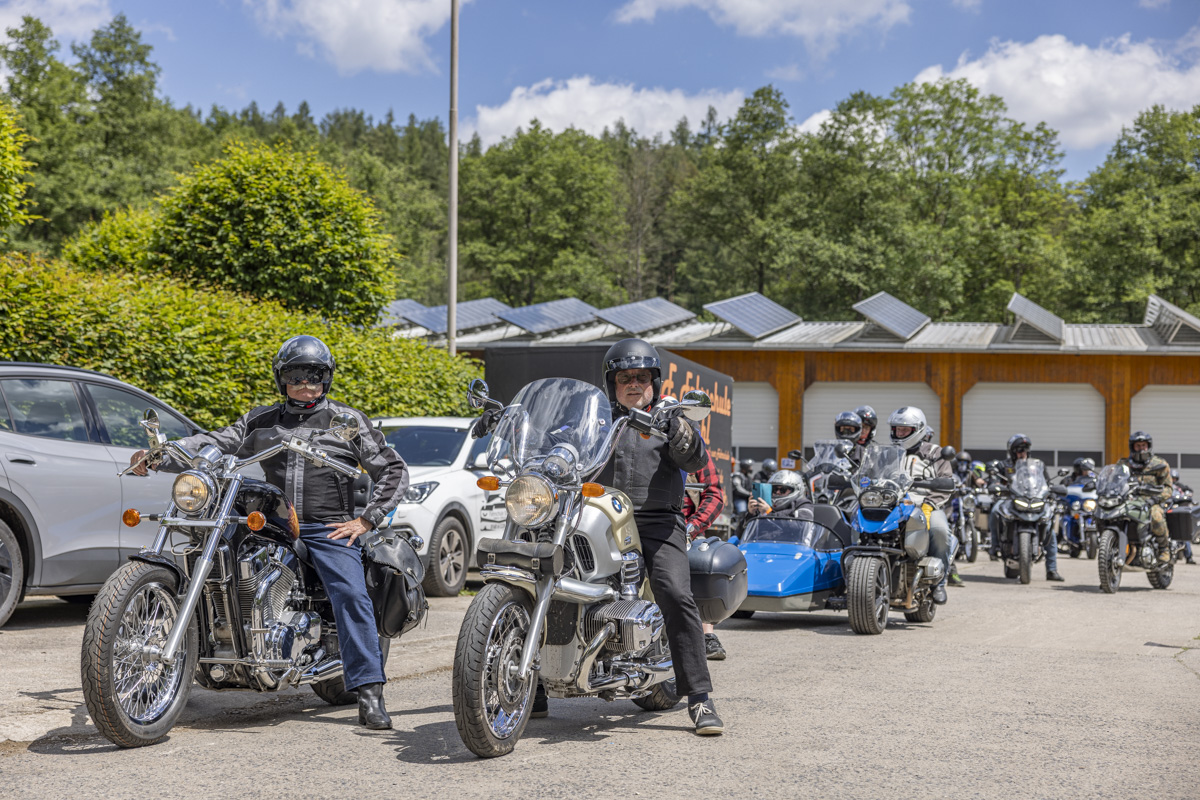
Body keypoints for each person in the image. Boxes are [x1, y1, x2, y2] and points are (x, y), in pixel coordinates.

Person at [128, 335, 409, 730]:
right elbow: (213, 442)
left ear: (326, 379)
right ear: (282, 379)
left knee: (349, 592)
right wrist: (159, 456)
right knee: (220, 563)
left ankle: (369, 693)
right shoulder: (262, 421)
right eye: (295, 375)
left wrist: (366, 520)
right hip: (274, 522)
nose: (305, 384)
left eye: (314, 375)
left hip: (326, 526)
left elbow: (392, 469)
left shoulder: (347, 421)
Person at [592, 338, 723, 735]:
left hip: (656, 523)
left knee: (674, 592)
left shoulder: (669, 419)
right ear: (612, 382)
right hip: (598, 518)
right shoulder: (594, 422)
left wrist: (682, 434)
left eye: (642, 376)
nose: (634, 383)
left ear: (654, 381)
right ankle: (540, 683)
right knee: (555, 577)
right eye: (624, 377)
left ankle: (699, 698)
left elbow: (697, 459)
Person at [887, 407, 954, 604]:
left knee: (940, 530)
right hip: (892, 502)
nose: (899, 434)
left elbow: (946, 482)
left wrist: (930, 505)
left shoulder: (935, 453)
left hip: (925, 504)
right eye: (897, 429)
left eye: (904, 430)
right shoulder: (887, 453)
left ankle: (938, 583)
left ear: (918, 430)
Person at [988, 433, 1063, 581]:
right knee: (995, 510)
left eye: (1025, 449)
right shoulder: (1004, 465)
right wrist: (996, 485)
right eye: (1019, 450)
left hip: (1033, 500)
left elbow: (1046, 482)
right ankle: (994, 546)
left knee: (1049, 528)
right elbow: (995, 480)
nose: (1022, 453)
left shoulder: (1036, 465)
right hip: (1010, 500)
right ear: (1012, 451)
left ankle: (1052, 570)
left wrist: (1051, 492)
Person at [683, 452, 727, 660]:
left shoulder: (690, 447)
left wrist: (692, 527)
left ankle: (707, 633)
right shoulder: (620, 434)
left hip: (685, 529)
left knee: (697, 563)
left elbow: (714, 495)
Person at [1119, 431, 1174, 564]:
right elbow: (1115, 480)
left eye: (1143, 445)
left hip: (1151, 501)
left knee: (1155, 515)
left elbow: (1168, 488)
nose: (1141, 448)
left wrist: (1155, 499)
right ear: (1133, 447)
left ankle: (1164, 548)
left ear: (1148, 446)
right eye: (1138, 446)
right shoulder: (1124, 464)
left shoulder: (1159, 464)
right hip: (1129, 500)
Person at [746, 470, 814, 521]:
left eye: (783, 489)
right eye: (774, 489)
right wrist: (751, 514)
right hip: (761, 540)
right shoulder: (765, 505)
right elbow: (740, 535)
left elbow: (800, 526)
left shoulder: (803, 505)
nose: (778, 492)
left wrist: (769, 513)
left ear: (796, 489)